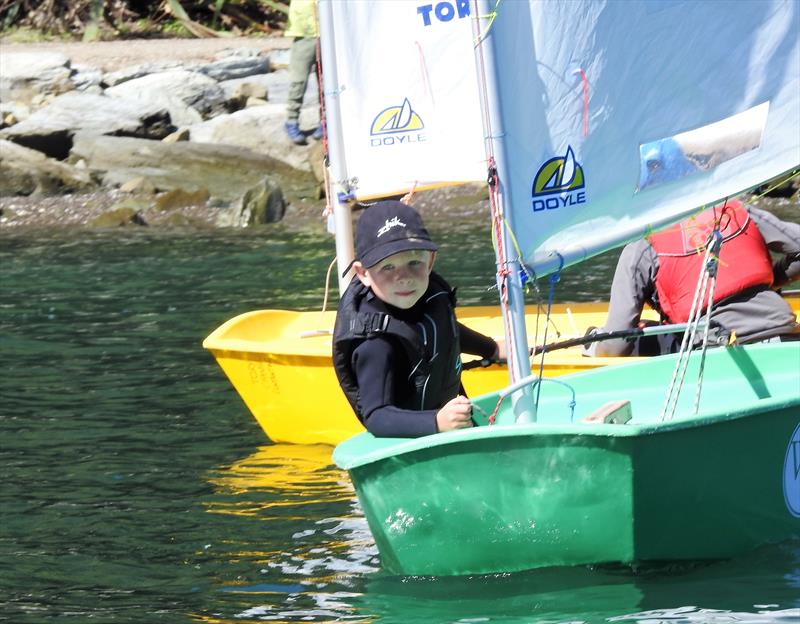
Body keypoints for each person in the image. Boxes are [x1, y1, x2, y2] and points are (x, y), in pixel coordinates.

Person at [332, 200, 504, 438]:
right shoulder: (374, 344)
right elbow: (376, 416)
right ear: (363, 274)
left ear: (431, 261)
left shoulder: (430, 298)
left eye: (414, 262)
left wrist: (492, 348)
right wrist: (436, 422)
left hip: (450, 425)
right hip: (411, 445)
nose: (404, 277)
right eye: (388, 267)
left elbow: (445, 330)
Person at [593, 200, 800, 357]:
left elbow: (616, 346)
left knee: (610, 338)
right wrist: (767, 282)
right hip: (785, 333)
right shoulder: (735, 211)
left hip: (715, 350)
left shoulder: (641, 248)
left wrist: (595, 345)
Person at [284, 0, 321, 146]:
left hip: (329, 32)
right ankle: (291, 121)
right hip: (304, 34)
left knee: (327, 83)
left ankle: (326, 122)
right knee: (298, 82)